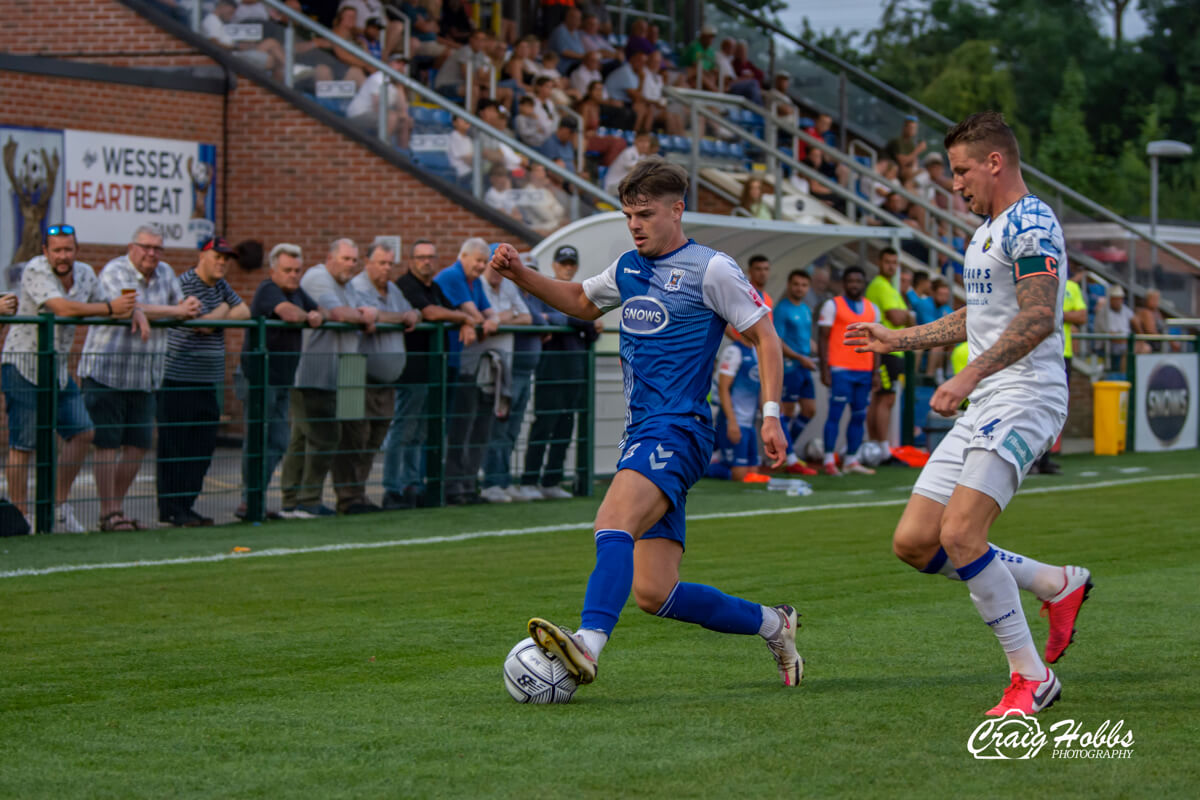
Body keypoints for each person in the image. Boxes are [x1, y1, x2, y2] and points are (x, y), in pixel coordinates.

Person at [488, 157, 802, 691]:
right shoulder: (628, 268)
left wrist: (770, 416)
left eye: (645, 214)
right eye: (628, 214)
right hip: (643, 433)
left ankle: (587, 644)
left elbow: (766, 338)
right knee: (656, 593)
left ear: (677, 211)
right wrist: (522, 274)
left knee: (611, 522)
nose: (635, 224)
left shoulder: (712, 268)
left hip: (678, 428)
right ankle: (776, 623)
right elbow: (583, 302)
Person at [846, 111, 1092, 716]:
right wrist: (895, 339)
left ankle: (1030, 677)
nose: (953, 184)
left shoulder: (1032, 222)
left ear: (995, 162)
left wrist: (969, 372)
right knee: (915, 543)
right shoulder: (987, 231)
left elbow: (1038, 317)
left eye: (960, 171)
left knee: (959, 534)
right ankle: (1055, 583)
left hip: (1026, 394)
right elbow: (975, 317)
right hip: (988, 399)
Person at [1, 225, 134, 533]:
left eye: (68, 249)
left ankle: (56, 504)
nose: (63, 256)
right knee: (24, 443)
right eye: (57, 250)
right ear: (46, 252)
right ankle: (20, 515)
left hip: (57, 370)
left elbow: (112, 308)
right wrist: (110, 308)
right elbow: (61, 309)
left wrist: (134, 312)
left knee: (83, 432)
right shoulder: (36, 269)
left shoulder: (86, 273)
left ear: (77, 250)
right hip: (24, 364)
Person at [78, 225, 201, 532]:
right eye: (146, 247)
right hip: (108, 371)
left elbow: (185, 307)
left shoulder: (165, 272)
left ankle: (117, 507)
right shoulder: (114, 270)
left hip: (145, 376)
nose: (152, 254)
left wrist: (164, 310)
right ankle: (108, 513)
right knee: (106, 444)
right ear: (132, 247)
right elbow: (124, 306)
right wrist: (169, 310)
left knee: (138, 444)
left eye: (158, 248)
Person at [158, 237, 249, 527]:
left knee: (201, 448)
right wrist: (223, 311)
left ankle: (187, 504)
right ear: (202, 255)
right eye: (217, 257)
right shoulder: (184, 283)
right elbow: (203, 325)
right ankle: (172, 508)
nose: (222, 263)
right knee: (176, 447)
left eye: (226, 258)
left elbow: (245, 311)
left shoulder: (221, 287)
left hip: (208, 381)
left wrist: (218, 311)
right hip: (178, 378)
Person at [382, 239, 477, 510]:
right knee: (403, 429)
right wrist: (464, 320)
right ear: (411, 260)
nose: (427, 261)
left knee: (420, 432)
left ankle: (413, 484)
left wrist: (463, 320)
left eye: (431, 257)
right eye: (421, 256)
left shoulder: (433, 286)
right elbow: (432, 313)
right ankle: (393, 488)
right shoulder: (406, 285)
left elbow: (452, 310)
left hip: (433, 370)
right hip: (411, 369)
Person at [280, 238, 370, 518]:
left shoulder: (350, 285)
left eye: (355, 260)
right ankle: (307, 500)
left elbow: (366, 314)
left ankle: (295, 500)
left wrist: (368, 315)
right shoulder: (318, 277)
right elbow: (342, 314)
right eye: (346, 259)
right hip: (313, 374)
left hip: (347, 372)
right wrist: (364, 316)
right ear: (330, 257)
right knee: (324, 436)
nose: (351, 265)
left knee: (314, 438)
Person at [234, 243, 324, 521]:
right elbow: (289, 313)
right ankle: (250, 499)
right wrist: (309, 317)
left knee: (279, 440)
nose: (294, 276)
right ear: (274, 269)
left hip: (283, 378)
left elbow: (319, 311)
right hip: (259, 377)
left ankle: (255, 495)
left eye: (298, 270)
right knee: (259, 439)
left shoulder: (297, 291)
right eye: (287, 270)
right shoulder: (268, 290)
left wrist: (316, 313)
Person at [516, 245, 601, 500]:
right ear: (554, 266)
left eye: (571, 264)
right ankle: (529, 480)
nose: (567, 268)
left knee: (565, 427)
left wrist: (576, 322)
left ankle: (551, 480)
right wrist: (580, 322)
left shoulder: (580, 293)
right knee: (544, 424)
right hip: (551, 369)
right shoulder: (545, 292)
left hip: (575, 370)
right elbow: (577, 321)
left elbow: (592, 329)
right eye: (563, 263)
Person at [342, 242, 419, 513]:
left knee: (374, 439)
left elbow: (412, 313)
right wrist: (400, 318)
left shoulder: (393, 289)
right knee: (354, 438)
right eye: (382, 263)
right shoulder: (357, 287)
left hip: (385, 381)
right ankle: (348, 498)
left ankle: (360, 495)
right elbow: (371, 318)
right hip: (357, 374)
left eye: (390, 264)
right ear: (368, 262)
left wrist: (400, 316)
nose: (386, 268)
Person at [434, 238, 499, 505]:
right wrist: (473, 321)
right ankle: (449, 487)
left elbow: (490, 314)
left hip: (461, 364)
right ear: (463, 256)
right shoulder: (453, 276)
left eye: (485, 262)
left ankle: (461, 485)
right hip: (444, 361)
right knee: (452, 426)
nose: (481, 266)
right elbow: (476, 314)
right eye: (478, 261)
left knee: (465, 425)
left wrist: (484, 320)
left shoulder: (474, 281)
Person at [479, 255, 535, 503]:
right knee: (497, 427)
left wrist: (501, 318)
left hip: (512, 368)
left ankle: (503, 480)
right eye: (494, 267)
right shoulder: (479, 286)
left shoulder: (509, 286)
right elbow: (484, 319)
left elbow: (527, 317)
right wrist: (507, 315)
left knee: (511, 428)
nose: (496, 273)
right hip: (491, 367)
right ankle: (492, 481)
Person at [817, 266, 880, 476]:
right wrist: (825, 368)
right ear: (844, 283)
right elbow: (823, 337)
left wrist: (876, 372)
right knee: (835, 414)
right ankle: (828, 459)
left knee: (859, 415)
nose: (855, 285)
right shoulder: (832, 305)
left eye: (858, 281)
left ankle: (851, 459)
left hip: (865, 369)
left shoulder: (873, 309)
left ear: (863, 284)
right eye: (851, 281)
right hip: (840, 369)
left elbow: (877, 341)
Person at [864, 247, 913, 461]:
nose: (891, 266)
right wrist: (908, 316)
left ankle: (878, 446)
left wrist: (907, 316)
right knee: (885, 398)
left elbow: (907, 317)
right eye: (887, 262)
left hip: (894, 352)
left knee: (883, 398)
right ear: (879, 262)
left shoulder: (891, 288)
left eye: (895, 262)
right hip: (885, 350)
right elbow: (896, 317)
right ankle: (882, 449)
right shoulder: (880, 286)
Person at [773, 269, 818, 475]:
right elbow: (778, 341)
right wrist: (800, 357)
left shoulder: (806, 309)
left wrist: (815, 349)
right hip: (791, 366)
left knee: (809, 410)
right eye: (796, 284)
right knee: (787, 412)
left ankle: (785, 450)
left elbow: (804, 338)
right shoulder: (782, 309)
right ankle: (789, 459)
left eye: (803, 285)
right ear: (789, 285)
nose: (799, 288)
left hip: (805, 365)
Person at [707, 338, 762, 482]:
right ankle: (701, 466)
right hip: (733, 419)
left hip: (749, 422)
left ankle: (716, 457)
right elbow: (723, 388)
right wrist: (732, 421)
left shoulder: (757, 351)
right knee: (740, 475)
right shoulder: (734, 351)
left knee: (752, 472)